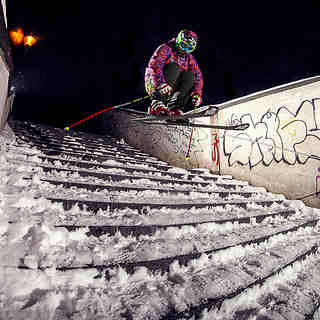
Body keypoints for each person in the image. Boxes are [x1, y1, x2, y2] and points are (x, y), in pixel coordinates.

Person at [145, 30, 203, 117]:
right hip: (156, 83)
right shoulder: (166, 48)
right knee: (174, 67)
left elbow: (197, 76)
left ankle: (174, 108)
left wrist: (197, 94)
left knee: (190, 75)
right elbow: (154, 66)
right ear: (178, 41)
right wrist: (160, 83)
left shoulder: (189, 58)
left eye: (189, 48)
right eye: (183, 46)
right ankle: (157, 104)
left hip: (171, 87)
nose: (185, 50)